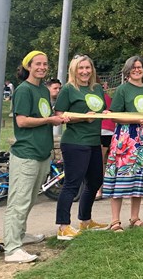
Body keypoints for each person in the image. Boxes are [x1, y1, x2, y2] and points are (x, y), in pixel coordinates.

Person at [4, 51, 69, 263]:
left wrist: (58, 117)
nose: (42, 67)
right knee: (19, 201)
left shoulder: (42, 89)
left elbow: (46, 116)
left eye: (45, 64)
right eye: (37, 64)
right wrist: (49, 120)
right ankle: (12, 249)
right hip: (26, 154)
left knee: (31, 199)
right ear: (28, 67)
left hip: (42, 154)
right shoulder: (23, 90)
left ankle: (21, 235)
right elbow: (22, 121)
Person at [53, 55, 110, 240]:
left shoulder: (97, 88)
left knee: (95, 181)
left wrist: (105, 113)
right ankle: (63, 227)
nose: (85, 71)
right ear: (74, 70)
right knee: (72, 184)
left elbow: (99, 112)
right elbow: (60, 115)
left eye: (88, 67)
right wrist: (83, 117)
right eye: (81, 68)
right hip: (75, 142)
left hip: (94, 141)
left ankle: (85, 221)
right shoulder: (69, 89)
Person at [103, 56, 143, 231]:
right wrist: (136, 119)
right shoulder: (123, 90)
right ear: (128, 70)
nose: (137, 70)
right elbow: (114, 115)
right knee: (122, 176)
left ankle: (135, 218)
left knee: (140, 178)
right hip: (127, 139)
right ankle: (115, 221)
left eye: (140, 67)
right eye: (133, 67)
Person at [96, 80, 115, 200]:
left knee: (99, 161)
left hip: (102, 130)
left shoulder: (97, 98)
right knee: (106, 161)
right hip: (110, 130)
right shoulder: (108, 97)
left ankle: (98, 189)